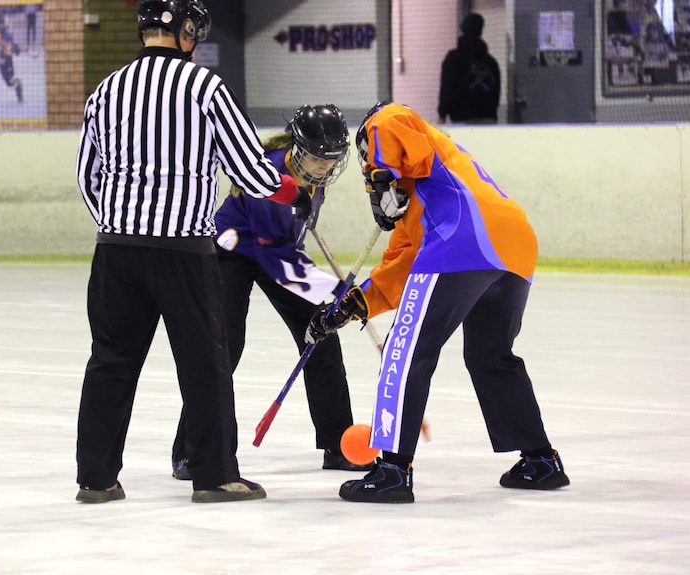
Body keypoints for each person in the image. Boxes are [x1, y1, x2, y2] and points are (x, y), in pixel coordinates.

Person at [74, 0, 311, 504]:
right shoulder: (205, 88)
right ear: (185, 32)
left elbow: (87, 175)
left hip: (116, 249)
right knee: (205, 364)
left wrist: (119, 223)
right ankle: (215, 474)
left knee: (110, 361)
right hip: (183, 250)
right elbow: (249, 171)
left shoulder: (104, 91)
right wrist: (290, 188)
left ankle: (95, 477)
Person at [307, 102, 569, 503]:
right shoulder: (430, 195)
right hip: (512, 245)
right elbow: (403, 267)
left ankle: (393, 469)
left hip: (467, 237)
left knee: (404, 349)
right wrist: (353, 305)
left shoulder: (394, 126)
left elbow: (389, 119)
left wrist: (381, 183)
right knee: (490, 356)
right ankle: (540, 460)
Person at [169, 104, 372, 481]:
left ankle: (336, 444)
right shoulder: (273, 178)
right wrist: (334, 288)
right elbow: (277, 257)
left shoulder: (315, 175)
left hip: (276, 252)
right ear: (297, 149)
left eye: (331, 160)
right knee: (223, 349)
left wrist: (329, 294)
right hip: (231, 253)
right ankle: (190, 451)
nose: (324, 168)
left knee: (322, 337)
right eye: (316, 159)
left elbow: (288, 241)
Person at [438, 12, 500, 124]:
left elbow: (447, 86)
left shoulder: (454, 58)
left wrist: (442, 114)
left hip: (461, 118)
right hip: (487, 119)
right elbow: (496, 91)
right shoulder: (490, 62)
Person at [0, 14, 23, 103]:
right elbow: (0, 47)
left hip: (8, 60)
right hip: (1, 62)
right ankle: (18, 84)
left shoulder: (8, 35)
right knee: (8, 83)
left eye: (2, 23)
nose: (1, 25)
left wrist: (16, 49)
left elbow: (11, 46)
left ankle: (19, 87)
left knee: (10, 79)